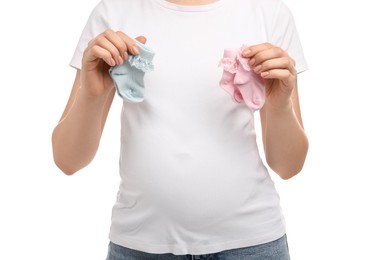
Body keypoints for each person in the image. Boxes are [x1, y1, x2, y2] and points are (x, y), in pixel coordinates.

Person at [52, 0, 309, 259]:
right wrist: (91, 95)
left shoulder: (269, 12)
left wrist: (279, 106)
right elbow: (67, 160)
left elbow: (288, 166)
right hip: (140, 246)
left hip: (252, 244)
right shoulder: (113, 12)